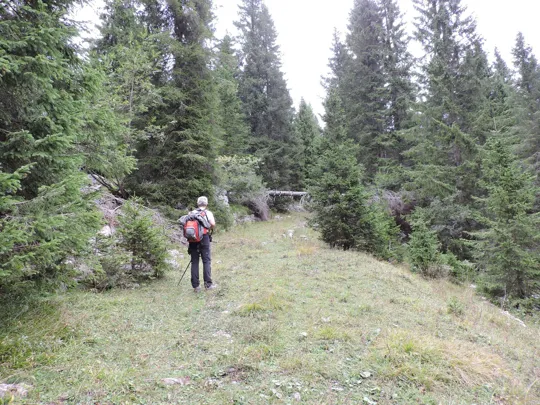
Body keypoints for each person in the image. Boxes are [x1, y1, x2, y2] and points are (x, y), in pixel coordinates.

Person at [188, 196, 216, 292]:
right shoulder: (208, 213)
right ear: (206, 204)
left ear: (197, 203)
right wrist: (208, 227)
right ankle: (208, 285)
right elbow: (213, 224)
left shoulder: (192, 213)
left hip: (193, 239)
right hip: (204, 237)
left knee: (194, 261)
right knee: (206, 261)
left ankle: (196, 286)